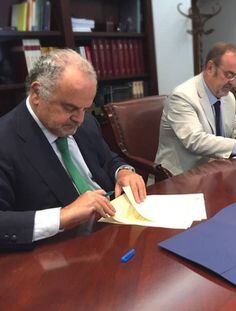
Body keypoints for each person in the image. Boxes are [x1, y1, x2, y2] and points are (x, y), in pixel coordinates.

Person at [0, 49, 146, 249]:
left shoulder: (85, 123)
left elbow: (108, 159)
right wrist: (62, 216)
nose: (80, 119)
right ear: (37, 94)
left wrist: (123, 171)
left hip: (112, 230)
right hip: (59, 251)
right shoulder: (6, 140)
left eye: (85, 108)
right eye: (70, 109)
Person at [155, 42, 236, 175]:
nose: (233, 82)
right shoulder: (182, 96)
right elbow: (195, 141)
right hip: (180, 176)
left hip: (217, 170)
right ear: (210, 67)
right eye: (229, 75)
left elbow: (232, 126)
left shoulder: (228, 97)